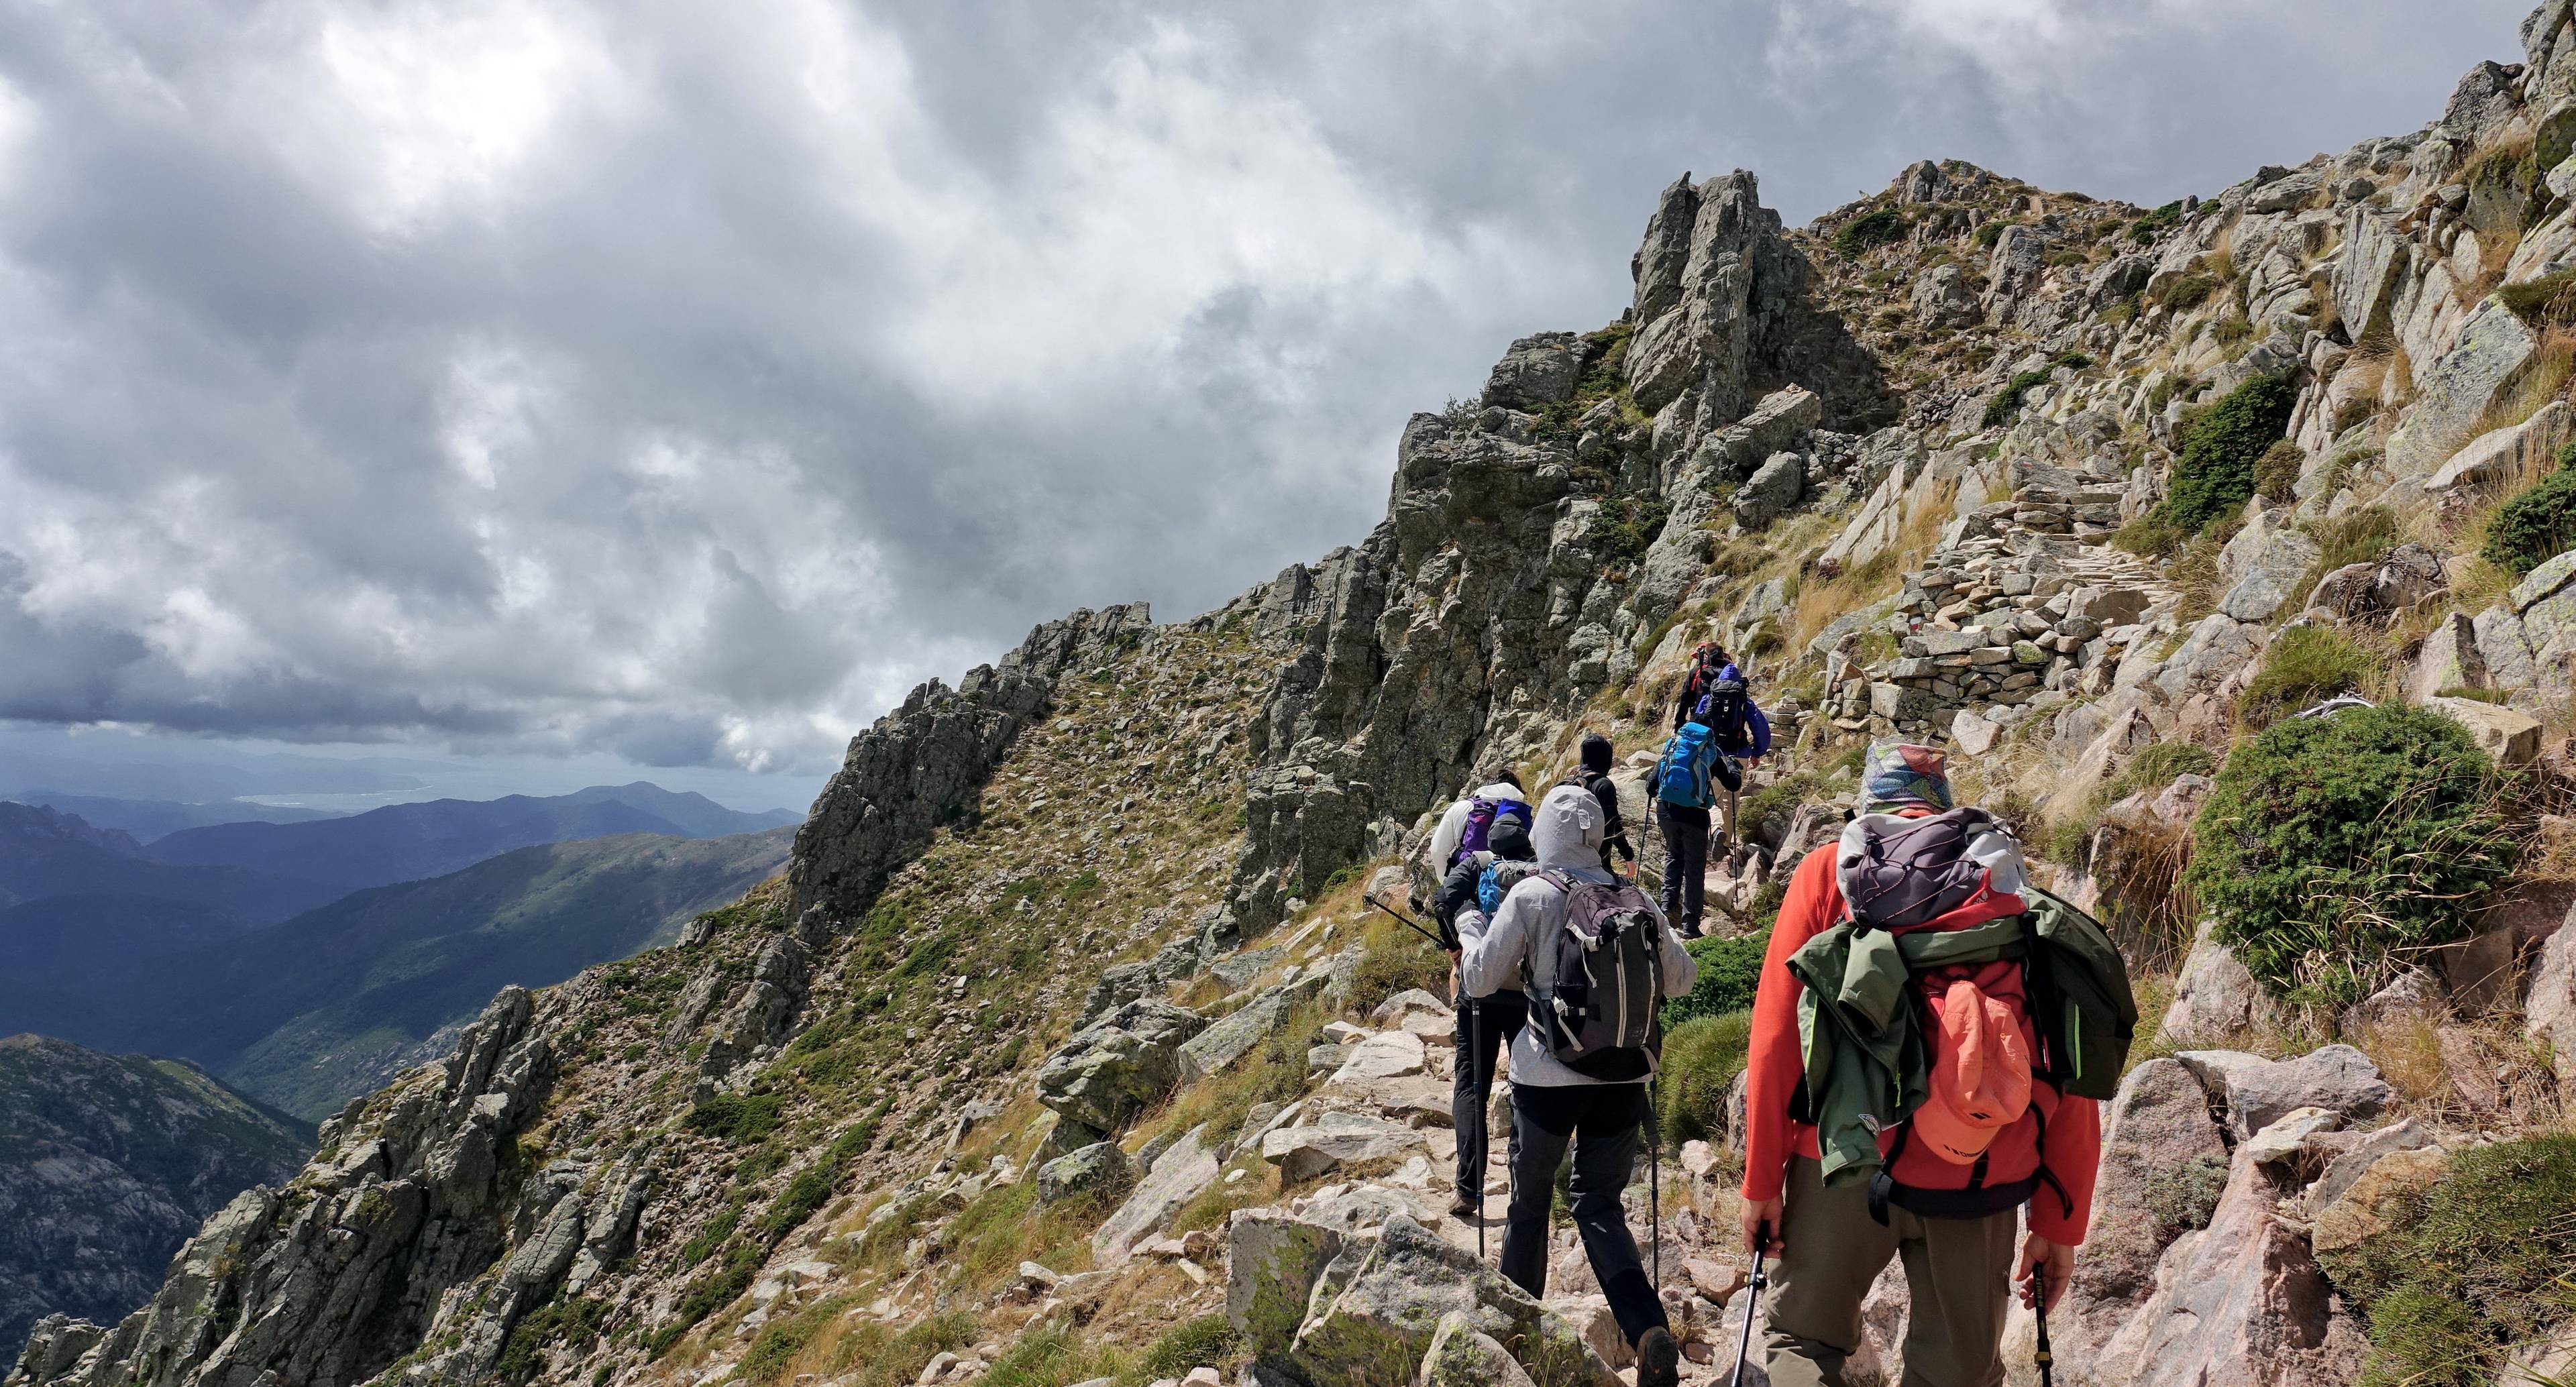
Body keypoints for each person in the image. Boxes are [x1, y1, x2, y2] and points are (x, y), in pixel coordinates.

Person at [1737, 744, 2103, 1387]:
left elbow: (1774, 1040)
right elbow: (2062, 1060)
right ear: (1944, 805)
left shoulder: (1831, 872)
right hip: (1979, 1165)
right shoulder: (2005, 882)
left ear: (1869, 802)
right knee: (1957, 1375)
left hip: (1841, 1161)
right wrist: (2058, 1223)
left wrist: (1762, 1179)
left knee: (1801, 1342)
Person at [1460, 784, 1699, 1387]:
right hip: (1625, 1077)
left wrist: (1468, 927)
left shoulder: (1533, 893)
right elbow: (1684, 979)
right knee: (1598, 1205)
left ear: (1546, 834)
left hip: (1546, 1078)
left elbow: (1482, 981)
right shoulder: (1636, 896)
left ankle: (1517, 1339)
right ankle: (1648, 1331)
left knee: (1530, 1204)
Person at [1432, 815, 1536, 1220]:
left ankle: (1468, 1188)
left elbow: (1444, 900)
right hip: (1527, 994)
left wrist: (1456, 948)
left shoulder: (1477, 863)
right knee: (1526, 1084)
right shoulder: (1539, 869)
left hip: (1479, 991)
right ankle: (1523, 1186)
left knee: (1472, 1082)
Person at [1426, 765, 1527, 875]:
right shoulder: (1521, 811)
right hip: (1514, 879)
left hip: (1470, 880)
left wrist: (1449, 884)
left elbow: (1437, 852)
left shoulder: (1462, 807)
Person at [1565, 732, 1638, 877]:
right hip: (1596, 862)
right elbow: (1613, 825)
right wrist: (1628, 856)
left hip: (1566, 858)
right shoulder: (1603, 785)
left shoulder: (1568, 783)